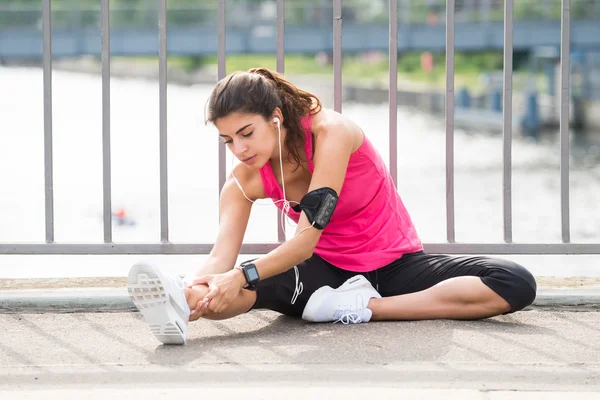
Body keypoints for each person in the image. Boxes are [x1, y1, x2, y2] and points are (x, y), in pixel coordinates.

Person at [127, 67, 537, 345]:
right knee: (217, 300)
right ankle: (179, 300)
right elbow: (222, 255)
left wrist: (240, 274)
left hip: (393, 263)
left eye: (246, 133)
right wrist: (198, 284)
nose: (240, 149)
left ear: (275, 117)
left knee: (513, 282)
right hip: (324, 273)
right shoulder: (242, 180)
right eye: (228, 140)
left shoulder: (331, 133)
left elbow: (305, 239)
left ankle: (363, 309)